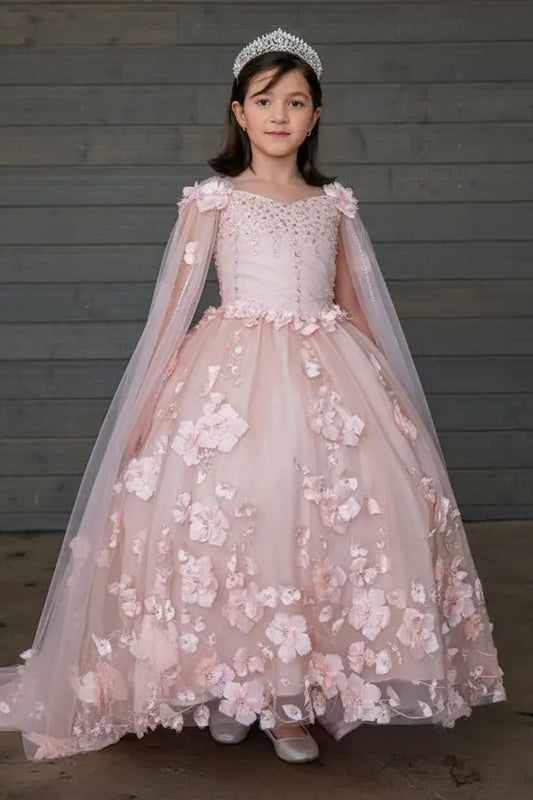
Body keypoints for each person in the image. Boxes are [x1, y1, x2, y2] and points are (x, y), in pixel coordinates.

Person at [0, 28, 506, 765]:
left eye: (295, 101)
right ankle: (233, 686)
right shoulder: (212, 199)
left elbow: (352, 305)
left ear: (315, 116)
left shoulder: (332, 204)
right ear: (239, 113)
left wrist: (386, 395)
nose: (279, 114)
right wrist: (146, 407)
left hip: (326, 370)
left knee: (312, 522)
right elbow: (172, 309)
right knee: (236, 517)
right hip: (230, 375)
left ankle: (287, 702)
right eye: (264, 100)